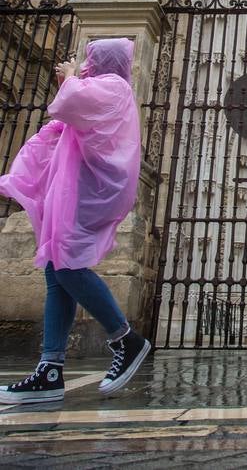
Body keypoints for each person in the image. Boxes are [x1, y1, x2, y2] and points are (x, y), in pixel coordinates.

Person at [0, 38, 150, 405]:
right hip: (73, 189)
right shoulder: (103, 90)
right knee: (56, 272)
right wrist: (70, 83)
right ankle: (50, 369)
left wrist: (68, 77)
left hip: (87, 192)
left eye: (89, 58)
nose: (84, 63)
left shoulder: (113, 87)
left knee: (67, 268)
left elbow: (72, 101)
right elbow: (72, 112)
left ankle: (125, 339)